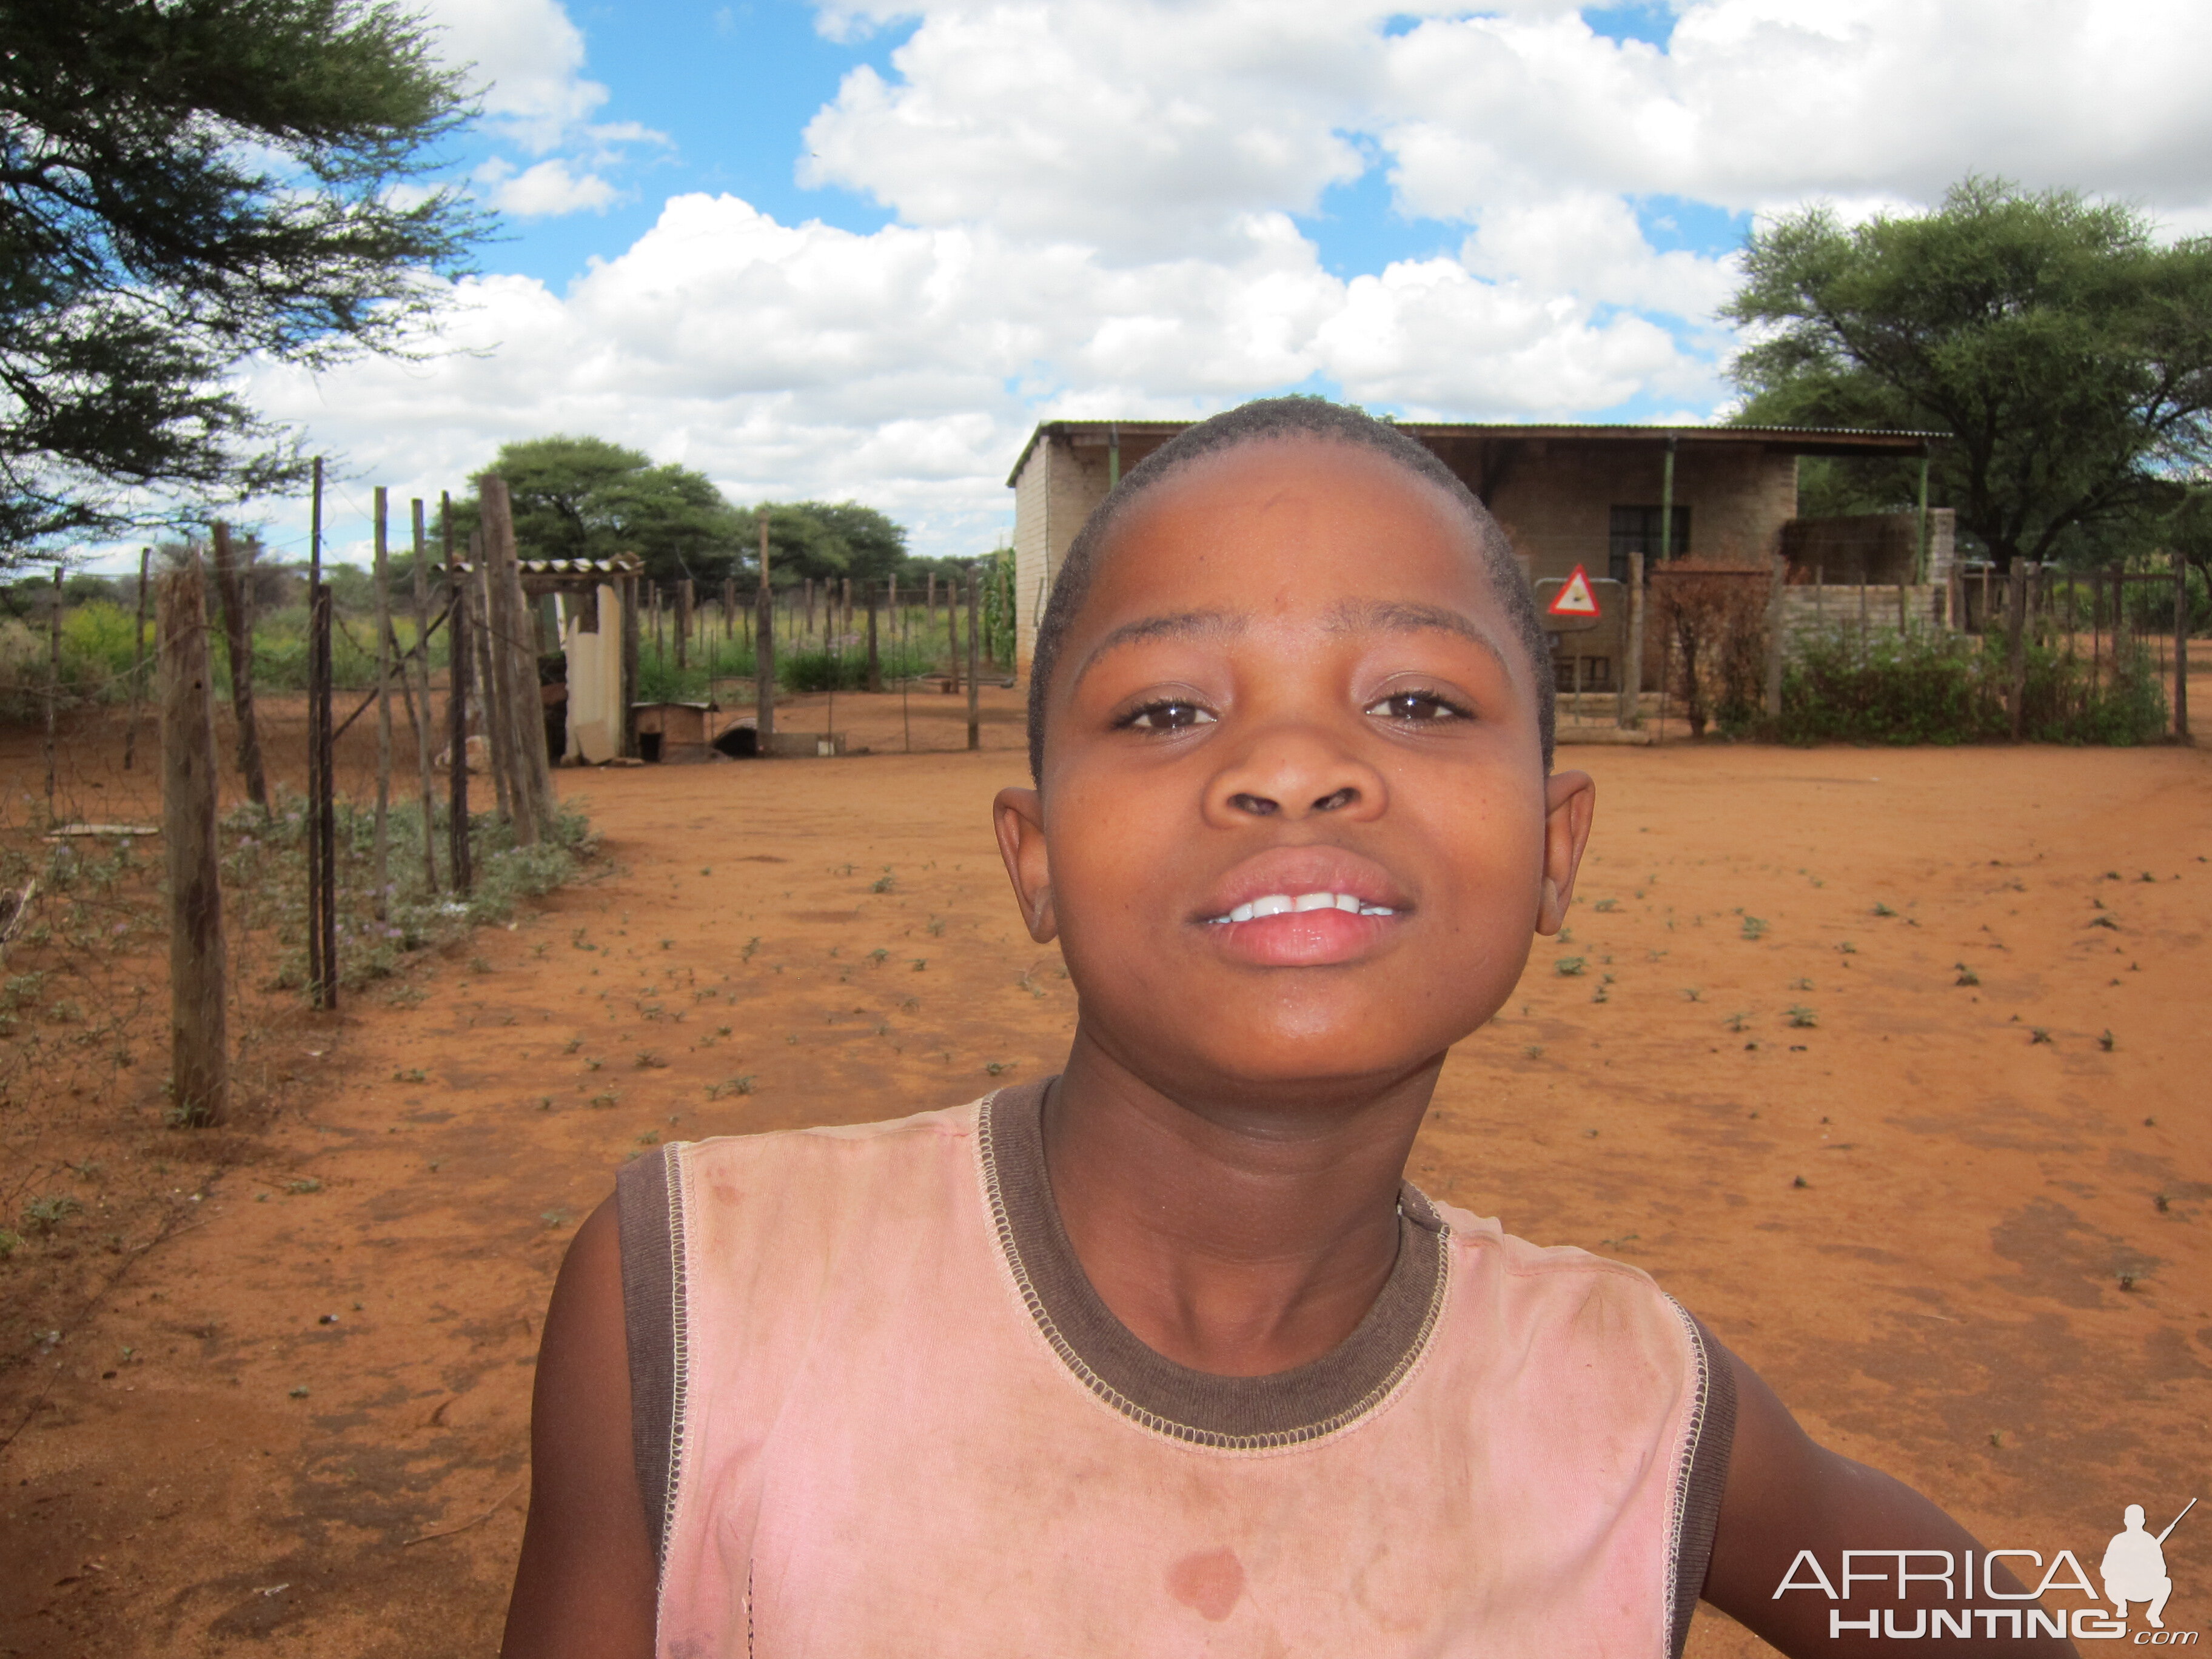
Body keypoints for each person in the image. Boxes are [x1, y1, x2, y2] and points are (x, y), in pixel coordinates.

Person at [500, 398, 2074, 1657]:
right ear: (1034, 858)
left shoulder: (1635, 1400)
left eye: (1417, 703)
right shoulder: (699, 1300)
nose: (1297, 769)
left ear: (1554, 845)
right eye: (1171, 709)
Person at [2102, 1504, 2173, 1628]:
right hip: (2122, 1589)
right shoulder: (2118, 1540)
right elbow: (2105, 1570)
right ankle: (2121, 1605)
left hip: (2144, 1589)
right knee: (2110, 1582)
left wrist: (2145, 1566)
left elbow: (2162, 1571)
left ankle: (2153, 1614)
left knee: (2166, 1582)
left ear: (2143, 1521)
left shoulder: (2150, 1541)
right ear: (2126, 1521)